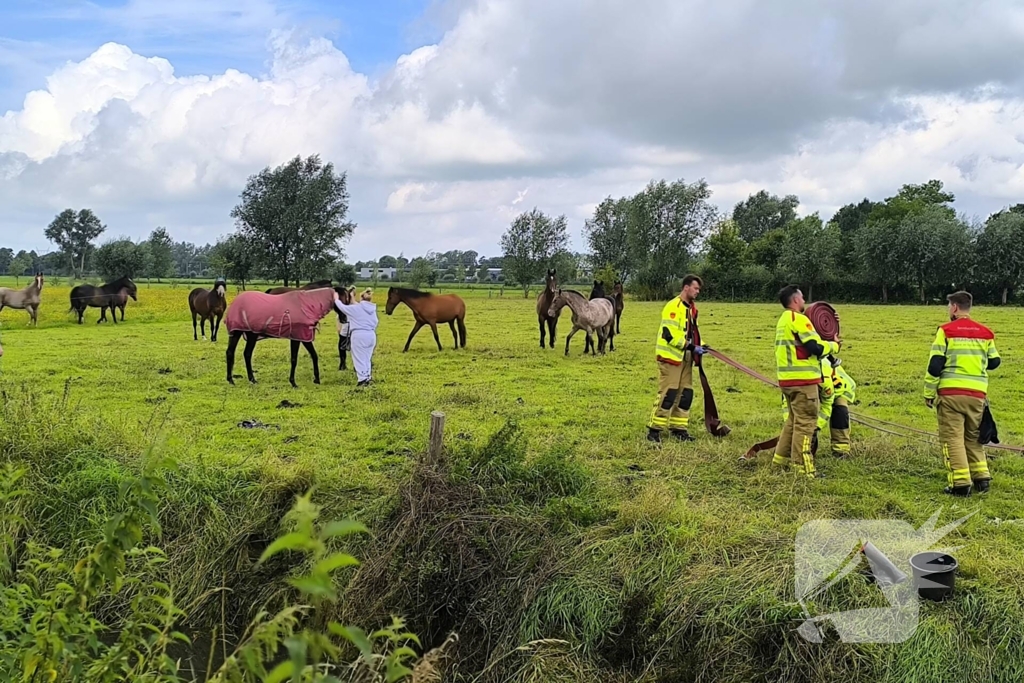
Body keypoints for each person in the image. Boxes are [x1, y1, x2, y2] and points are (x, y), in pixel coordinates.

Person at [924, 291, 1000, 496]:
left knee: (953, 439)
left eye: (949, 306)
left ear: (955, 307)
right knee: (974, 438)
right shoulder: (986, 333)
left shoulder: (945, 331)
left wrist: (929, 393)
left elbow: (934, 366)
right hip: (977, 395)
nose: (949, 310)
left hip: (951, 395)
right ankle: (982, 479)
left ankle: (960, 484)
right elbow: (994, 362)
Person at [772, 285, 840, 478]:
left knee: (792, 423)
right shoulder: (799, 319)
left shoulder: (784, 320)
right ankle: (803, 469)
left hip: (787, 382)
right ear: (795, 300)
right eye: (802, 298)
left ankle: (780, 461)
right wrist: (834, 345)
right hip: (804, 383)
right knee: (805, 425)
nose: (804, 301)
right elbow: (815, 347)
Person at [648, 274, 705, 443]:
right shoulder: (673, 307)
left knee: (685, 394)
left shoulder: (691, 309)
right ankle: (654, 430)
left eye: (699, 289)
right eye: (695, 288)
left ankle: (679, 428)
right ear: (686, 287)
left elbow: (691, 333)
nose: (697, 292)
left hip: (685, 358)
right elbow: (669, 335)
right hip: (670, 358)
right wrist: (692, 347)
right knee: (668, 393)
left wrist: (702, 345)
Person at [334, 288, 379, 387]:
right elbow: (357, 305)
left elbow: (342, 307)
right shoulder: (372, 310)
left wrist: (336, 298)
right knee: (367, 357)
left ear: (361, 298)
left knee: (358, 357)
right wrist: (352, 297)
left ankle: (362, 379)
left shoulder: (357, 309)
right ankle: (367, 376)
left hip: (359, 335)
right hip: (371, 335)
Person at [336, 286, 355, 370]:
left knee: (345, 347)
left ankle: (345, 364)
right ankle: (343, 364)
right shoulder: (346, 307)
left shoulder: (351, 306)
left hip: (351, 330)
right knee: (342, 347)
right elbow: (338, 318)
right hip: (347, 330)